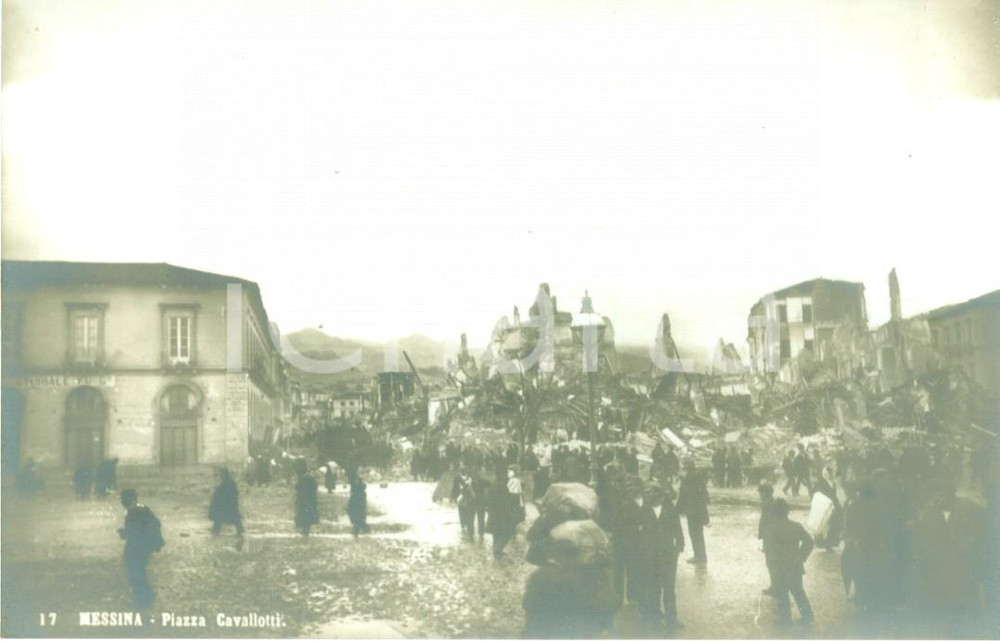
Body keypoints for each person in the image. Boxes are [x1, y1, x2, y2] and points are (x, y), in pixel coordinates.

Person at [636, 481, 685, 631]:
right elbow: (638, 532)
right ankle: (655, 617)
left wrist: (678, 547)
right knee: (653, 587)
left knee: (669, 588)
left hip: (668, 555)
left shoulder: (670, 509)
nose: (646, 494)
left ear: (658, 493)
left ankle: (672, 619)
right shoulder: (643, 511)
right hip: (650, 555)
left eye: (650, 492)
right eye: (645, 492)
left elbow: (678, 529)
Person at [764, 498, 814, 627]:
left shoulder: (771, 529)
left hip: (779, 567)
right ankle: (807, 616)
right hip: (795, 565)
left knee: (782, 594)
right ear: (787, 511)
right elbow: (809, 542)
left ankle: (786, 620)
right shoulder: (796, 526)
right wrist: (801, 556)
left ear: (773, 513)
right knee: (798, 591)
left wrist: (771, 567)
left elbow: (770, 551)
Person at [117, 489, 163, 610]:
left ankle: (142, 597)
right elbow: (155, 523)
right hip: (143, 546)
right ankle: (144, 594)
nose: (122, 501)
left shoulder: (134, 512)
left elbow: (135, 531)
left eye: (124, 499)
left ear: (130, 499)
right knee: (138, 569)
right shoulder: (141, 509)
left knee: (135, 569)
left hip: (137, 547)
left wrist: (124, 533)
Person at [676, 461, 709, 565]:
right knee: (699, 533)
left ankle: (698, 556)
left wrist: (678, 510)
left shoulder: (687, 479)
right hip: (700, 510)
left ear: (686, 469)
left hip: (692, 511)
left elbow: (683, 495)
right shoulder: (698, 477)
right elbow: (705, 495)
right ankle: (702, 555)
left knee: (694, 534)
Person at [487, 467, 522, 560]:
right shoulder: (503, 486)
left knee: (496, 532)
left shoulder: (494, 484)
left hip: (494, 513)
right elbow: (508, 500)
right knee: (507, 532)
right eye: (505, 474)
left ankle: (496, 550)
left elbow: (489, 498)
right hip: (503, 513)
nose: (506, 475)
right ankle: (498, 549)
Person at [209, 468, 244, 536]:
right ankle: (215, 530)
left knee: (223, 518)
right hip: (226, 505)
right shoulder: (228, 482)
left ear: (224, 474)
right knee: (229, 519)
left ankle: (215, 531)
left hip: (227, 505)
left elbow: (230, 494)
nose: (220, 476)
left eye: (221, 474)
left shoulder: (227, 483)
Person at [758, 483, 777, 594]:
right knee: (770, 563)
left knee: (772, 563)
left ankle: (775, 587)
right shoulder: (766, 502)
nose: (759, 495)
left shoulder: (772, 504)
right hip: (768, 537)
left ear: (765, 493)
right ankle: (774, 585)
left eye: (760, 493)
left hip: (772, 538)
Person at [452, 468, 477, 540]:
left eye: (465, 472)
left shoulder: (469, 478)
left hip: (468, 498)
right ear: (460, 472)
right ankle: (462, 524)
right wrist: (455, 497)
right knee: (461, 511)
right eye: (463, 472)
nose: (465, 473)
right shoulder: (456, 478)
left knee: (467, 510)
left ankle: (466, 524)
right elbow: (455, 488)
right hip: (460, 497)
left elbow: (473, 487)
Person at [294, 469, 319, 537]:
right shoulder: (312, 478)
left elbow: (296, 486)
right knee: (309, 512)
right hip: (311, 498)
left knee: (302, 512)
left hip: (302, 498)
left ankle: (304, 529)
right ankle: (307, 529)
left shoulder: (301, 478)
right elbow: (315, 487)